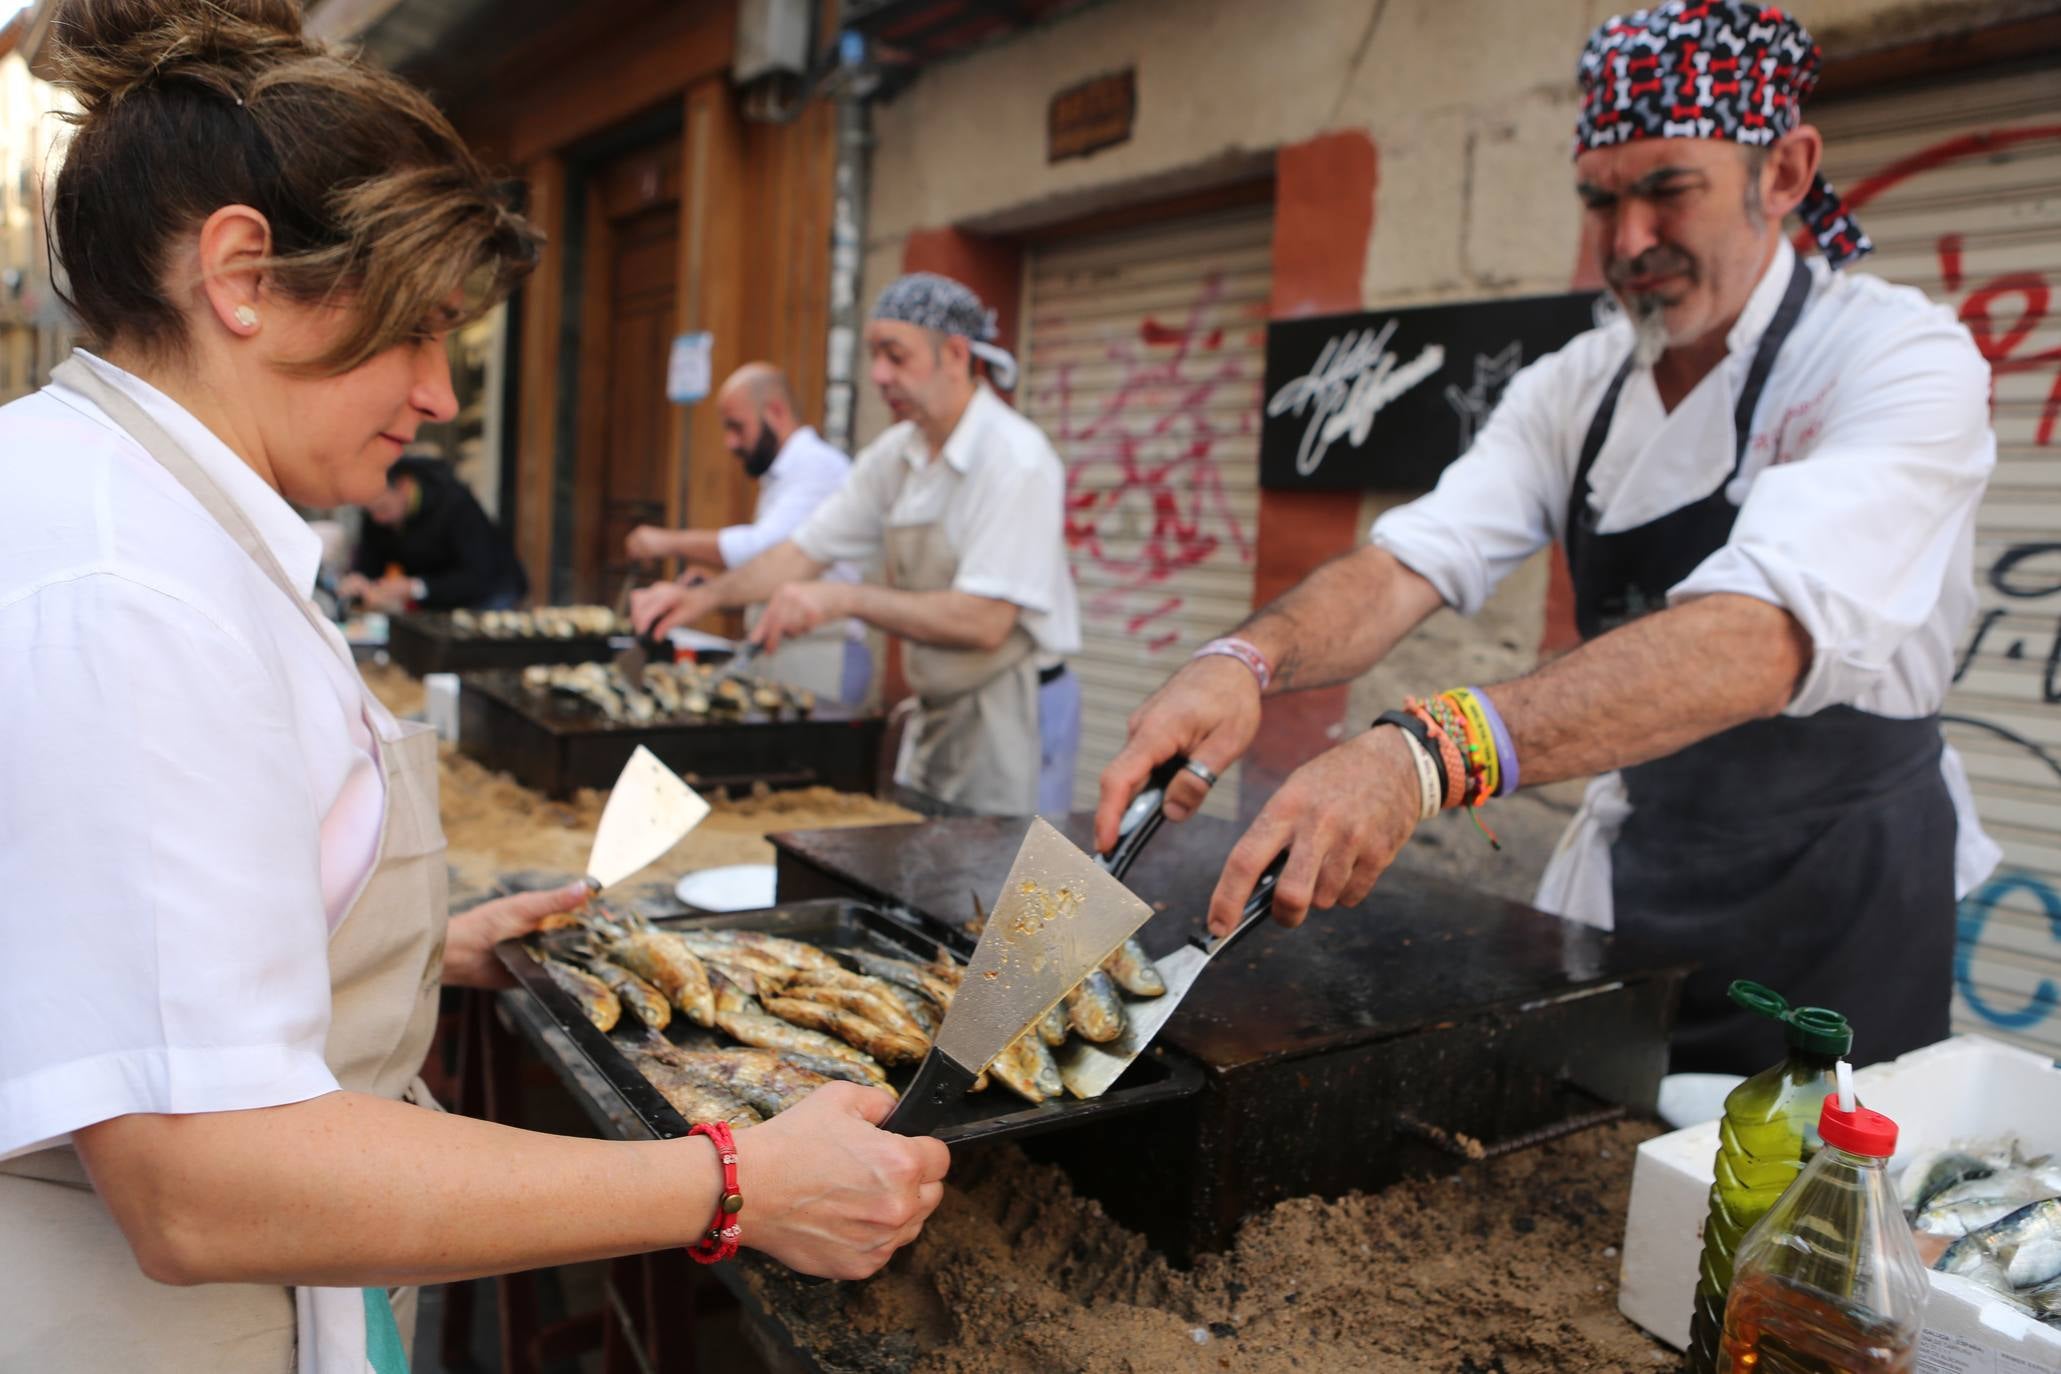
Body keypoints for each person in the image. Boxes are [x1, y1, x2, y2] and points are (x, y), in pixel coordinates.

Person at [0, 6, 945, 1371]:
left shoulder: (121, 503)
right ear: (241, 273)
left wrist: (400, 941)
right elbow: (202, 1174)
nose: (443, 395)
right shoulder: (131, 589)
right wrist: (731, 1180)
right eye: (418, 332)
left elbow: (99, 925)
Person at [1095, 0, 1999, 1076]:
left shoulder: (1897, 359)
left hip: (1845, 904)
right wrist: (1245, 659)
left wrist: (1426, 756)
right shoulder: (1579, 384)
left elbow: (1758, 638)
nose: (1627, 245)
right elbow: (1407, 561)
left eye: (1668, 189)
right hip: (1647, 880)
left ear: (1787, 173)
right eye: (1601, 201)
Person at [633, 274, 1083, 817]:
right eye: (874, 355)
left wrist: (842, 599)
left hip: (1018, 711)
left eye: (896, 356)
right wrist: (703, 600)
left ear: (957, 355)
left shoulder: (1016, 460)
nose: (878, 375)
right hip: (944, 709)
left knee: (1017, 893)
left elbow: (984, 621)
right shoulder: (895, 456)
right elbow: (802, 551)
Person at [623, 362, 872, 705]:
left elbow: (766, 548)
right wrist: (713, 584)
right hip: (779, 648)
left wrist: (667, 542)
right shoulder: (781, 475)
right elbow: (775, 566)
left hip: (820, 654)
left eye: (737, 427)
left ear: (776, 411)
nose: (729, 443)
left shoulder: (817, 466)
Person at [341, 453, 528, 612]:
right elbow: (370, 559)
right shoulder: (376, 516)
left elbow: (477, 576)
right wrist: (360, 579)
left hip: (491, 590)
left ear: (404, 486)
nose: (378, 519)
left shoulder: (454, 504)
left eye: (383, 508)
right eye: (370, 512)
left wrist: (416, 587)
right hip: (434, 598)